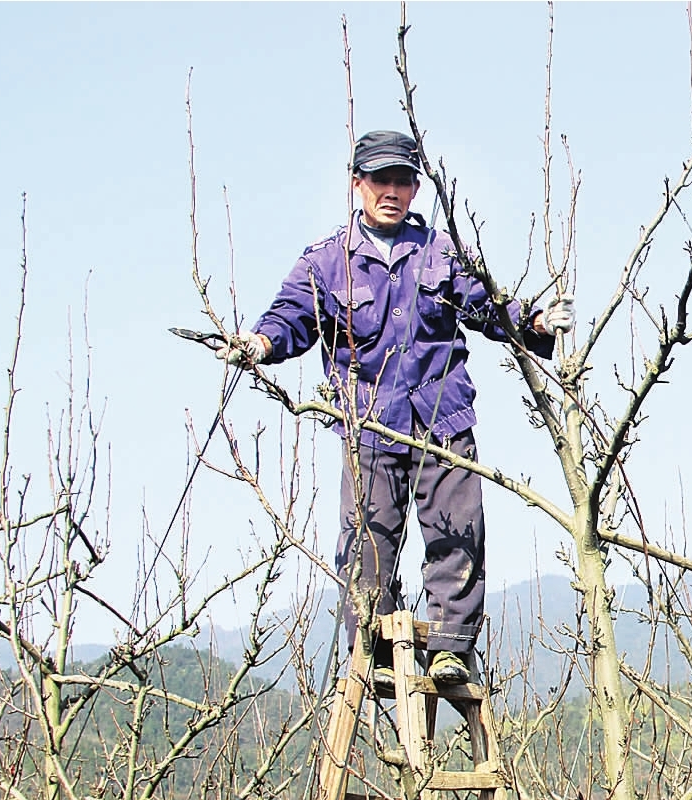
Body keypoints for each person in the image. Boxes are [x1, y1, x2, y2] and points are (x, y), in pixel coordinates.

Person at [218, 129, 573, 686]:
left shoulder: (442, 252)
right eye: (380, 180)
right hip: (368, 426)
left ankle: (452, 649)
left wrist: (537, 323)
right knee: (366, 543)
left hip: (442, 418)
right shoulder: (327, 262)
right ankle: (375, 652)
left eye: (402, 181)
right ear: (357, 183)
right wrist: (259, 344)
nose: (391, 191)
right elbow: (291, 318)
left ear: (415, 189)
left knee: (458, 535)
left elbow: (488, 306)